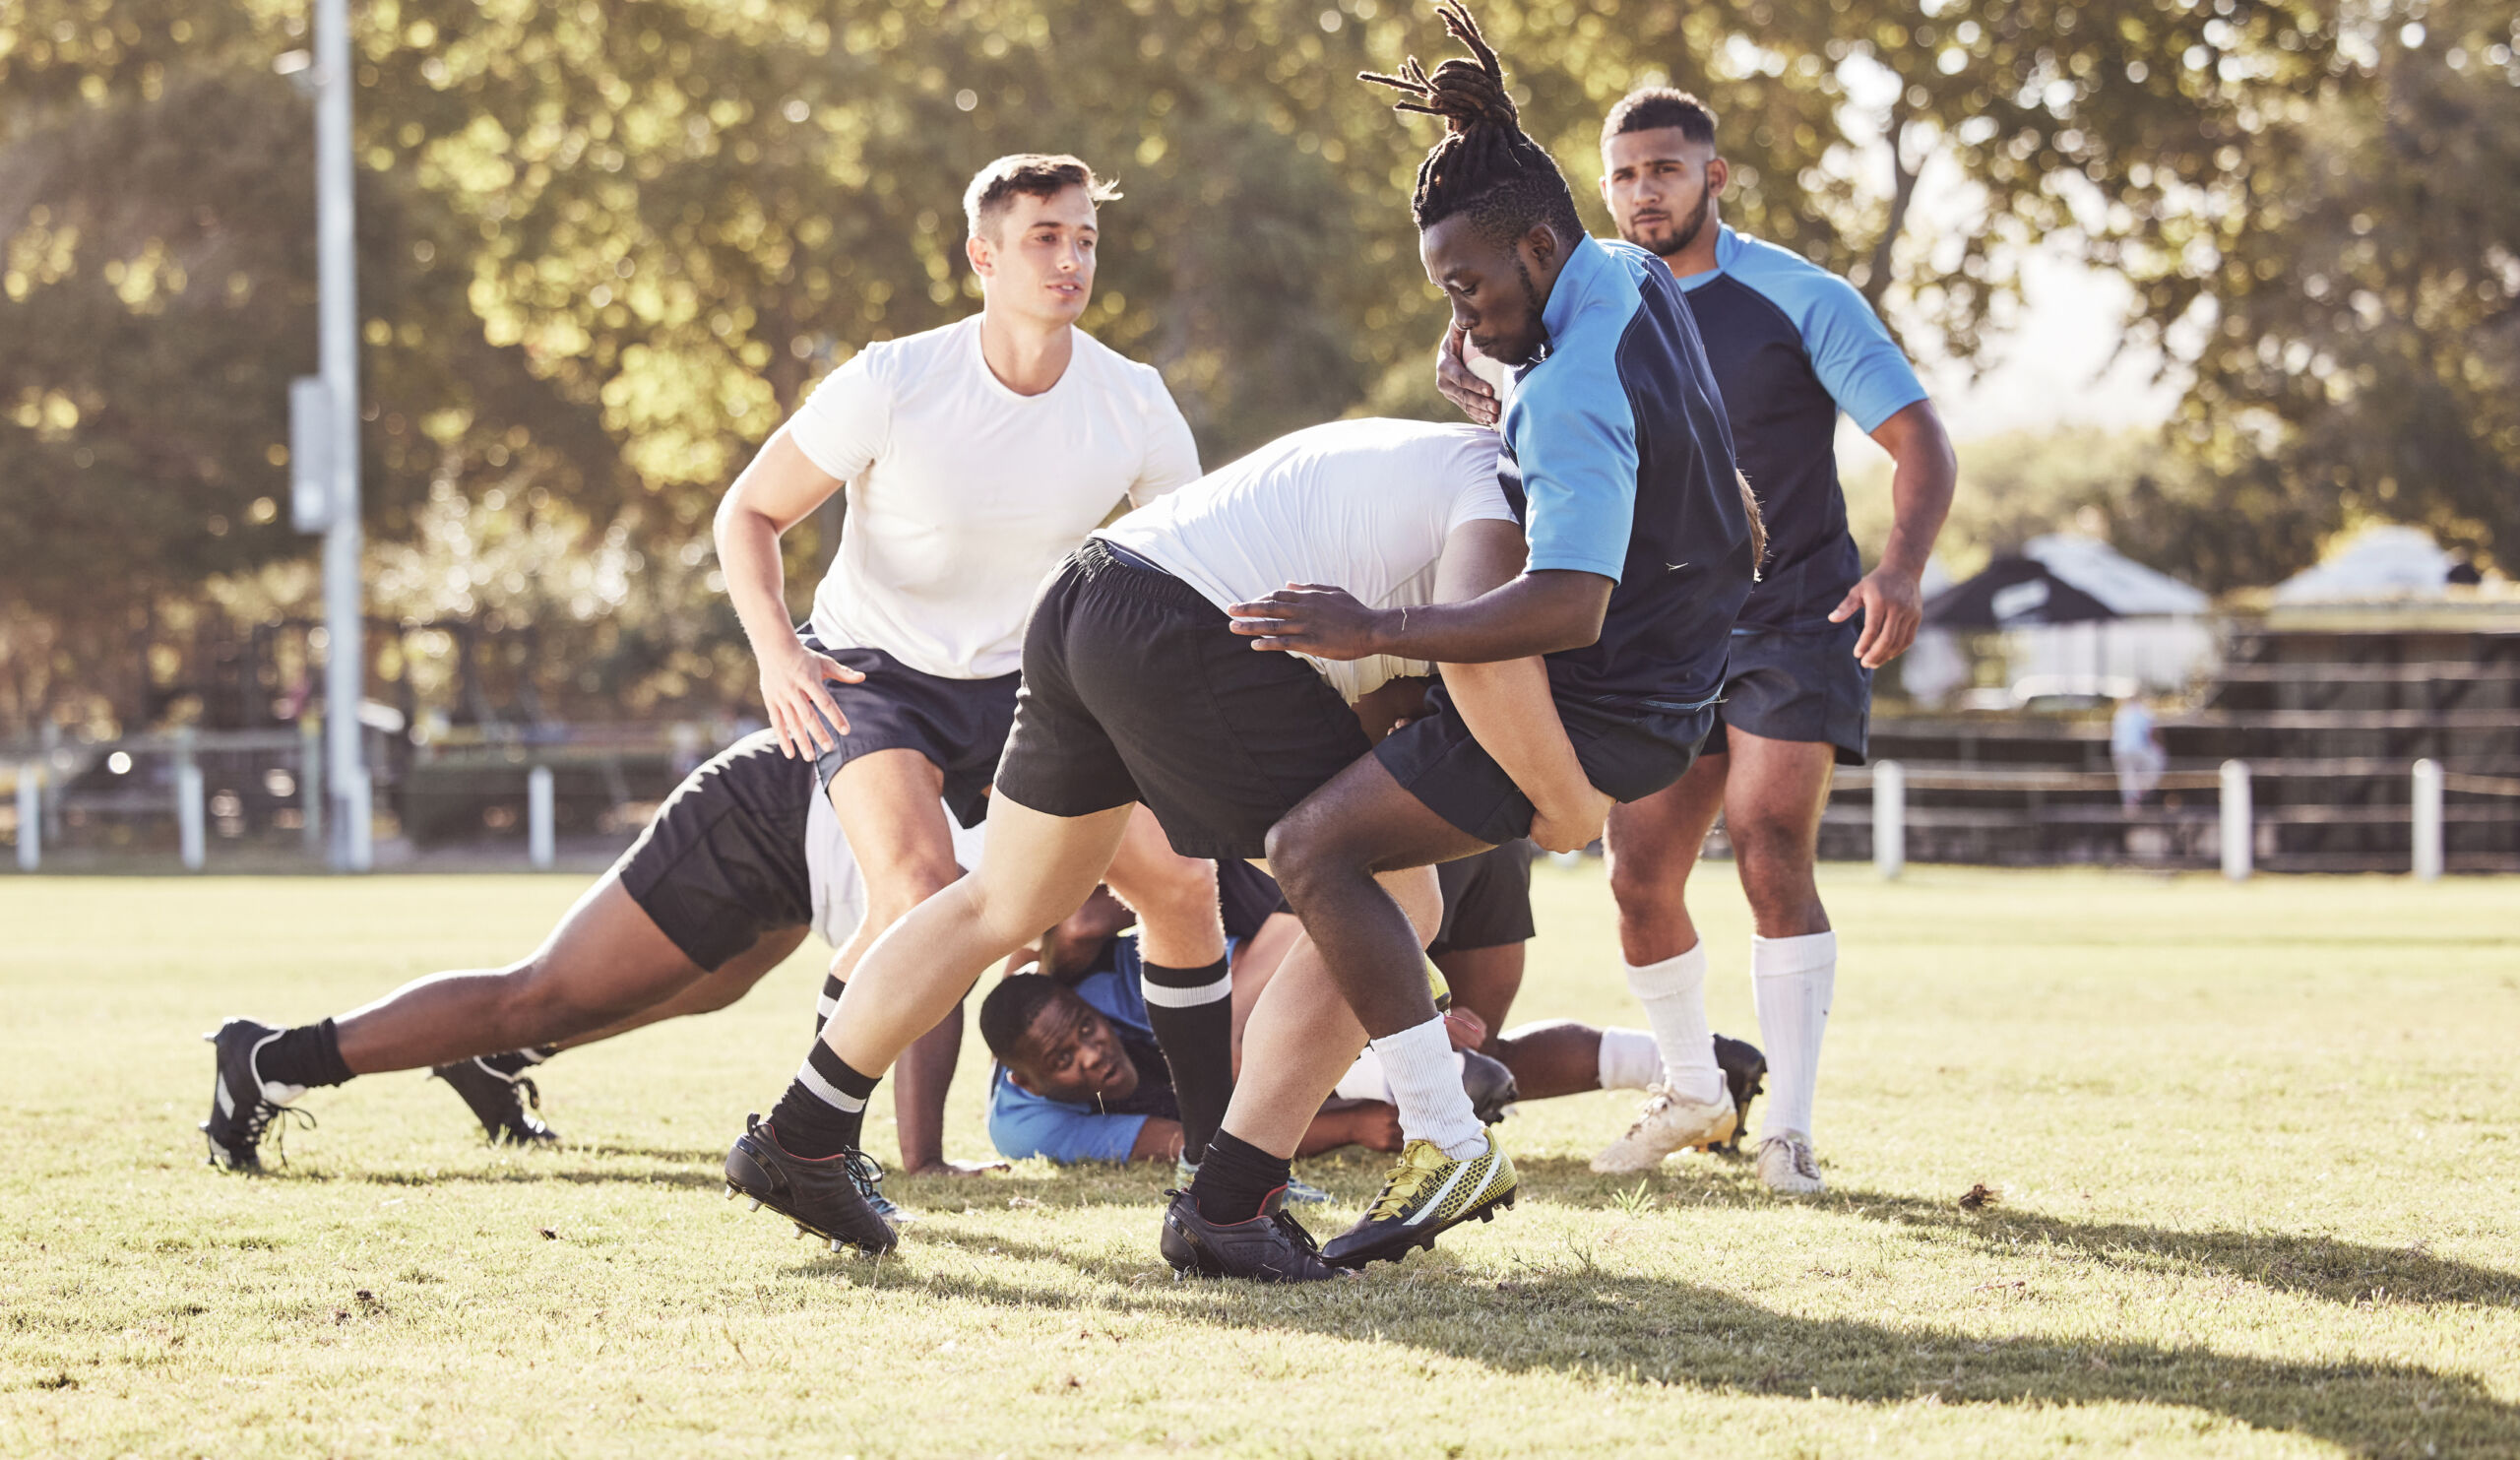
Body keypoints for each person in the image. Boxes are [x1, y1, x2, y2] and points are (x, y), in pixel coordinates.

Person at [718, 413, 1604, 1271]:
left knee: (1006, 900)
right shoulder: (1508, 501)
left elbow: (1382, 718)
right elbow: (1482, 668)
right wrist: (1568, 811)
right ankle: (1234, 1202)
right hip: (1183, 619)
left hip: (1088, 594)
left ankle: (801, 1134)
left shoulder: (1452, 462)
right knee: (1392, 896)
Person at [1182, 2, 1761, 1278]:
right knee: (1378, 840)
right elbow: (1705, 478)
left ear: (1538, 244)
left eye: (1472, 288)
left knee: (1311, 845)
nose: (1464, 314)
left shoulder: (1563, 391)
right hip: (1676, 679)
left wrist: (1373, 622)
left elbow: (1566, 605)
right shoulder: (1631, 274)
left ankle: (1440, 1136)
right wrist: (1498, 372)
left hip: (1604, 702)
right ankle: (1347, 1136)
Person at [1436, 85, 1959, 1193]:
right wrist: (1491, 396)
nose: (1641, 194)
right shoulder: (1573, 304)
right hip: (1659, 632)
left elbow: (1919, 439)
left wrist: (1900, 569)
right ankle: (1693, 1086)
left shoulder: (1796, 295)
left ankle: (1791, 1135)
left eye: (1664, 170)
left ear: (1712, 176)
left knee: (1770, 844)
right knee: (1637, 876)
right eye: (1622, 174)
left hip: (1794, 611)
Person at [712, 153, 1238, 1178]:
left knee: (1181, 884)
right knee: (917, 885)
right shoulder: (892, 380)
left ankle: (1224, 1161)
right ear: (981, 257)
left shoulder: (1131, 401)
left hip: (1033, 689)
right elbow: (750, 510)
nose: (1071, 257)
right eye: (1045, 236)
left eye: (1085, 236)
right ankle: (815, 1145)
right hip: (874, 674)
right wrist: (778, 654)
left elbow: (1200, 567)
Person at [197, 730, 976, 1178]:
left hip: (804, 855)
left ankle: (493, 1061)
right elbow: (933, 967)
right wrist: (926, 1159)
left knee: (712, 987)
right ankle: (268, 1059)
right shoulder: (1058, 845)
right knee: (539, 991)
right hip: (765, 817)